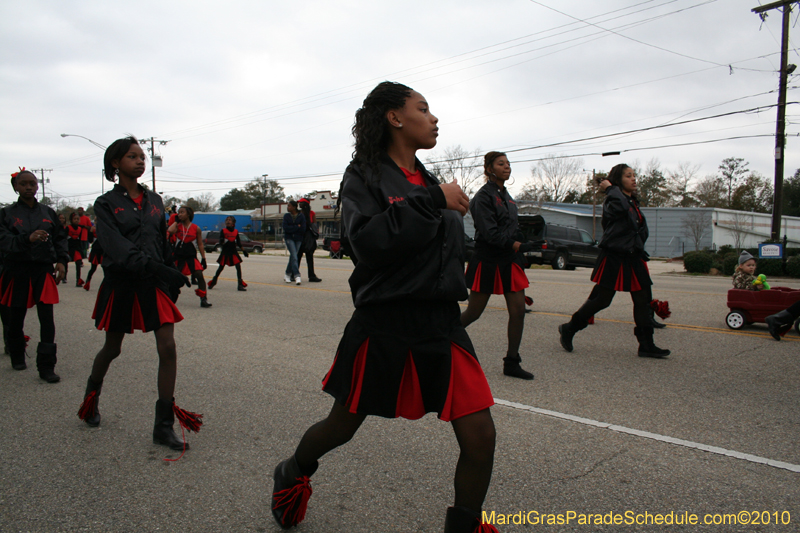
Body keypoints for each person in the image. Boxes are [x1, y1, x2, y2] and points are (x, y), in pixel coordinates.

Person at [270, 82, 498, 533]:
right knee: (342, 425)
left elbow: (446, 245)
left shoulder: (428, 177)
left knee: (481, 436)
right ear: (395, 118)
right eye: (424, 109)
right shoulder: (364, 176)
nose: (434, 119)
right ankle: (293, 469)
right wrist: (433, 202)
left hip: (439, 323)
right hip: (385, 323)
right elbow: (368, 242)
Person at [77, 136, 201, 452]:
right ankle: (91, 398)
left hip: (152, 283)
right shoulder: (105, 204)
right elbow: (117, 248)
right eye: (133, 156)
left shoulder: (155, 201)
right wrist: (159, 269)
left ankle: (163, 426)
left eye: (143, 157)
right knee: (112, 348)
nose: (141, 161)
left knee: (168, 347)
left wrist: (171, 274)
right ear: (116, 164)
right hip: (122, 283)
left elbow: (161, 242)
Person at [558, 164, 670, 359]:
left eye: (634, 175)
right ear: (618, 181)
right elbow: (622, 209)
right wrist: (610, 189)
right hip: (615, 257)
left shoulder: (630, 201)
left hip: (633, 256)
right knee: (602, 300)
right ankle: (569, 328)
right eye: (628, 176)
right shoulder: (614, 201)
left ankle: (646, 344)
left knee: (643, 301)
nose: (634, 179)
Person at [460, 152, 535, 380]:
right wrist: (516, 245)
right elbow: (490, 233)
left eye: (508, 164)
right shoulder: (482, 197)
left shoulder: (508, 197)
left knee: (518, 311)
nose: (507, 167)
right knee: (474, 312)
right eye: (501, 164)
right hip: (488, 259)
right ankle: (440, 337)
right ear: (489, 169)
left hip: (509, 261)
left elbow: (512, 227)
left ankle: (511, 362)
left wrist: (524, 241)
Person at [0, 168, 67, 381]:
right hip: (17, 271)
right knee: (16, 318)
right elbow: (4, 242)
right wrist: (26, 239)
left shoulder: (48, 212)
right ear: (16, 187)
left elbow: (60, 238)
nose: (29, 187)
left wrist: (62, 261)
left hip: (42, 270)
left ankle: (46, 367)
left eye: (32, 183)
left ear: (37, 186)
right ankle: (17, 354)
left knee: (47, 319)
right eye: (24, 184)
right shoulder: (7, 214)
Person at [168, 206, 212, 308]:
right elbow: (170, 231)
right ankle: (169, 298)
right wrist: (176, 221)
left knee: (200, 276)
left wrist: (203, 258)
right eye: (178, 213)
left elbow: (200, 244)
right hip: (178, 257)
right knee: (174, 279)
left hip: (191, 257)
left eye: (182, 212)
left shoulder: (196, 228)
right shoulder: (178, 226)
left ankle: (203, 299)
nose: (180, 214)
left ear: (188, 214)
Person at [207, 216, 248, 291]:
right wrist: (222, 240)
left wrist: (244, 251)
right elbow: (220, 242)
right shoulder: (223, 230)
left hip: (233, 252)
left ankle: (240, 285)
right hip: (225, 252)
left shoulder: (236, 231)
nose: (228, 221)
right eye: (227, 220)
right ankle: (213, 282)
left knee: (238, 267)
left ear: (233, 222)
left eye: (230, 220)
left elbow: (238, 242)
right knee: (220, 268)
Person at [296, 198, 322, 282]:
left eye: (301, 203)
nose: (299, 205)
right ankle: (295, 274)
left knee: (309, 257)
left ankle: (311, 275)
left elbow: (314, 225)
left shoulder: (311, 213)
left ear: (305, 204)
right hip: (300, 236)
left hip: (308, 237)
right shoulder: (299, 213)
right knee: (298, 256)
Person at [282, 200, 305, 285]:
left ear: (294, 207)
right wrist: (296, 227)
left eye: (289, 206)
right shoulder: (286, 216)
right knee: (295, 256)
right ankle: (297, 275)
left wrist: (293, 228)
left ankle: (287, 274)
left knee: (293, 257)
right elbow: (285, 228)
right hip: (289, 238)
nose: (288, 207)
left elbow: (303, 228)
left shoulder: (301, 216)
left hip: (298, 239)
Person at [67, 212, 86, 286]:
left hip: (76, 248)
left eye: (78, 219)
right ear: (71, 220)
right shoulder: (68, 228)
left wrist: (81, 250)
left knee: (78, 263)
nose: (76, 220)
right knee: (65, 263)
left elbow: (79, 240)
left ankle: (78, 280)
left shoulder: (80, 229)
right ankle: (63, 276)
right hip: (69, 247)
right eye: (74, 219)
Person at [83, 225, 103, 291]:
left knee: (106, 269)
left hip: (104, 251)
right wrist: (91, 232)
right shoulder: (94, 229)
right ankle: (87, 282)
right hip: (96, 251)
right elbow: (90, 240)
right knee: (93, 268)